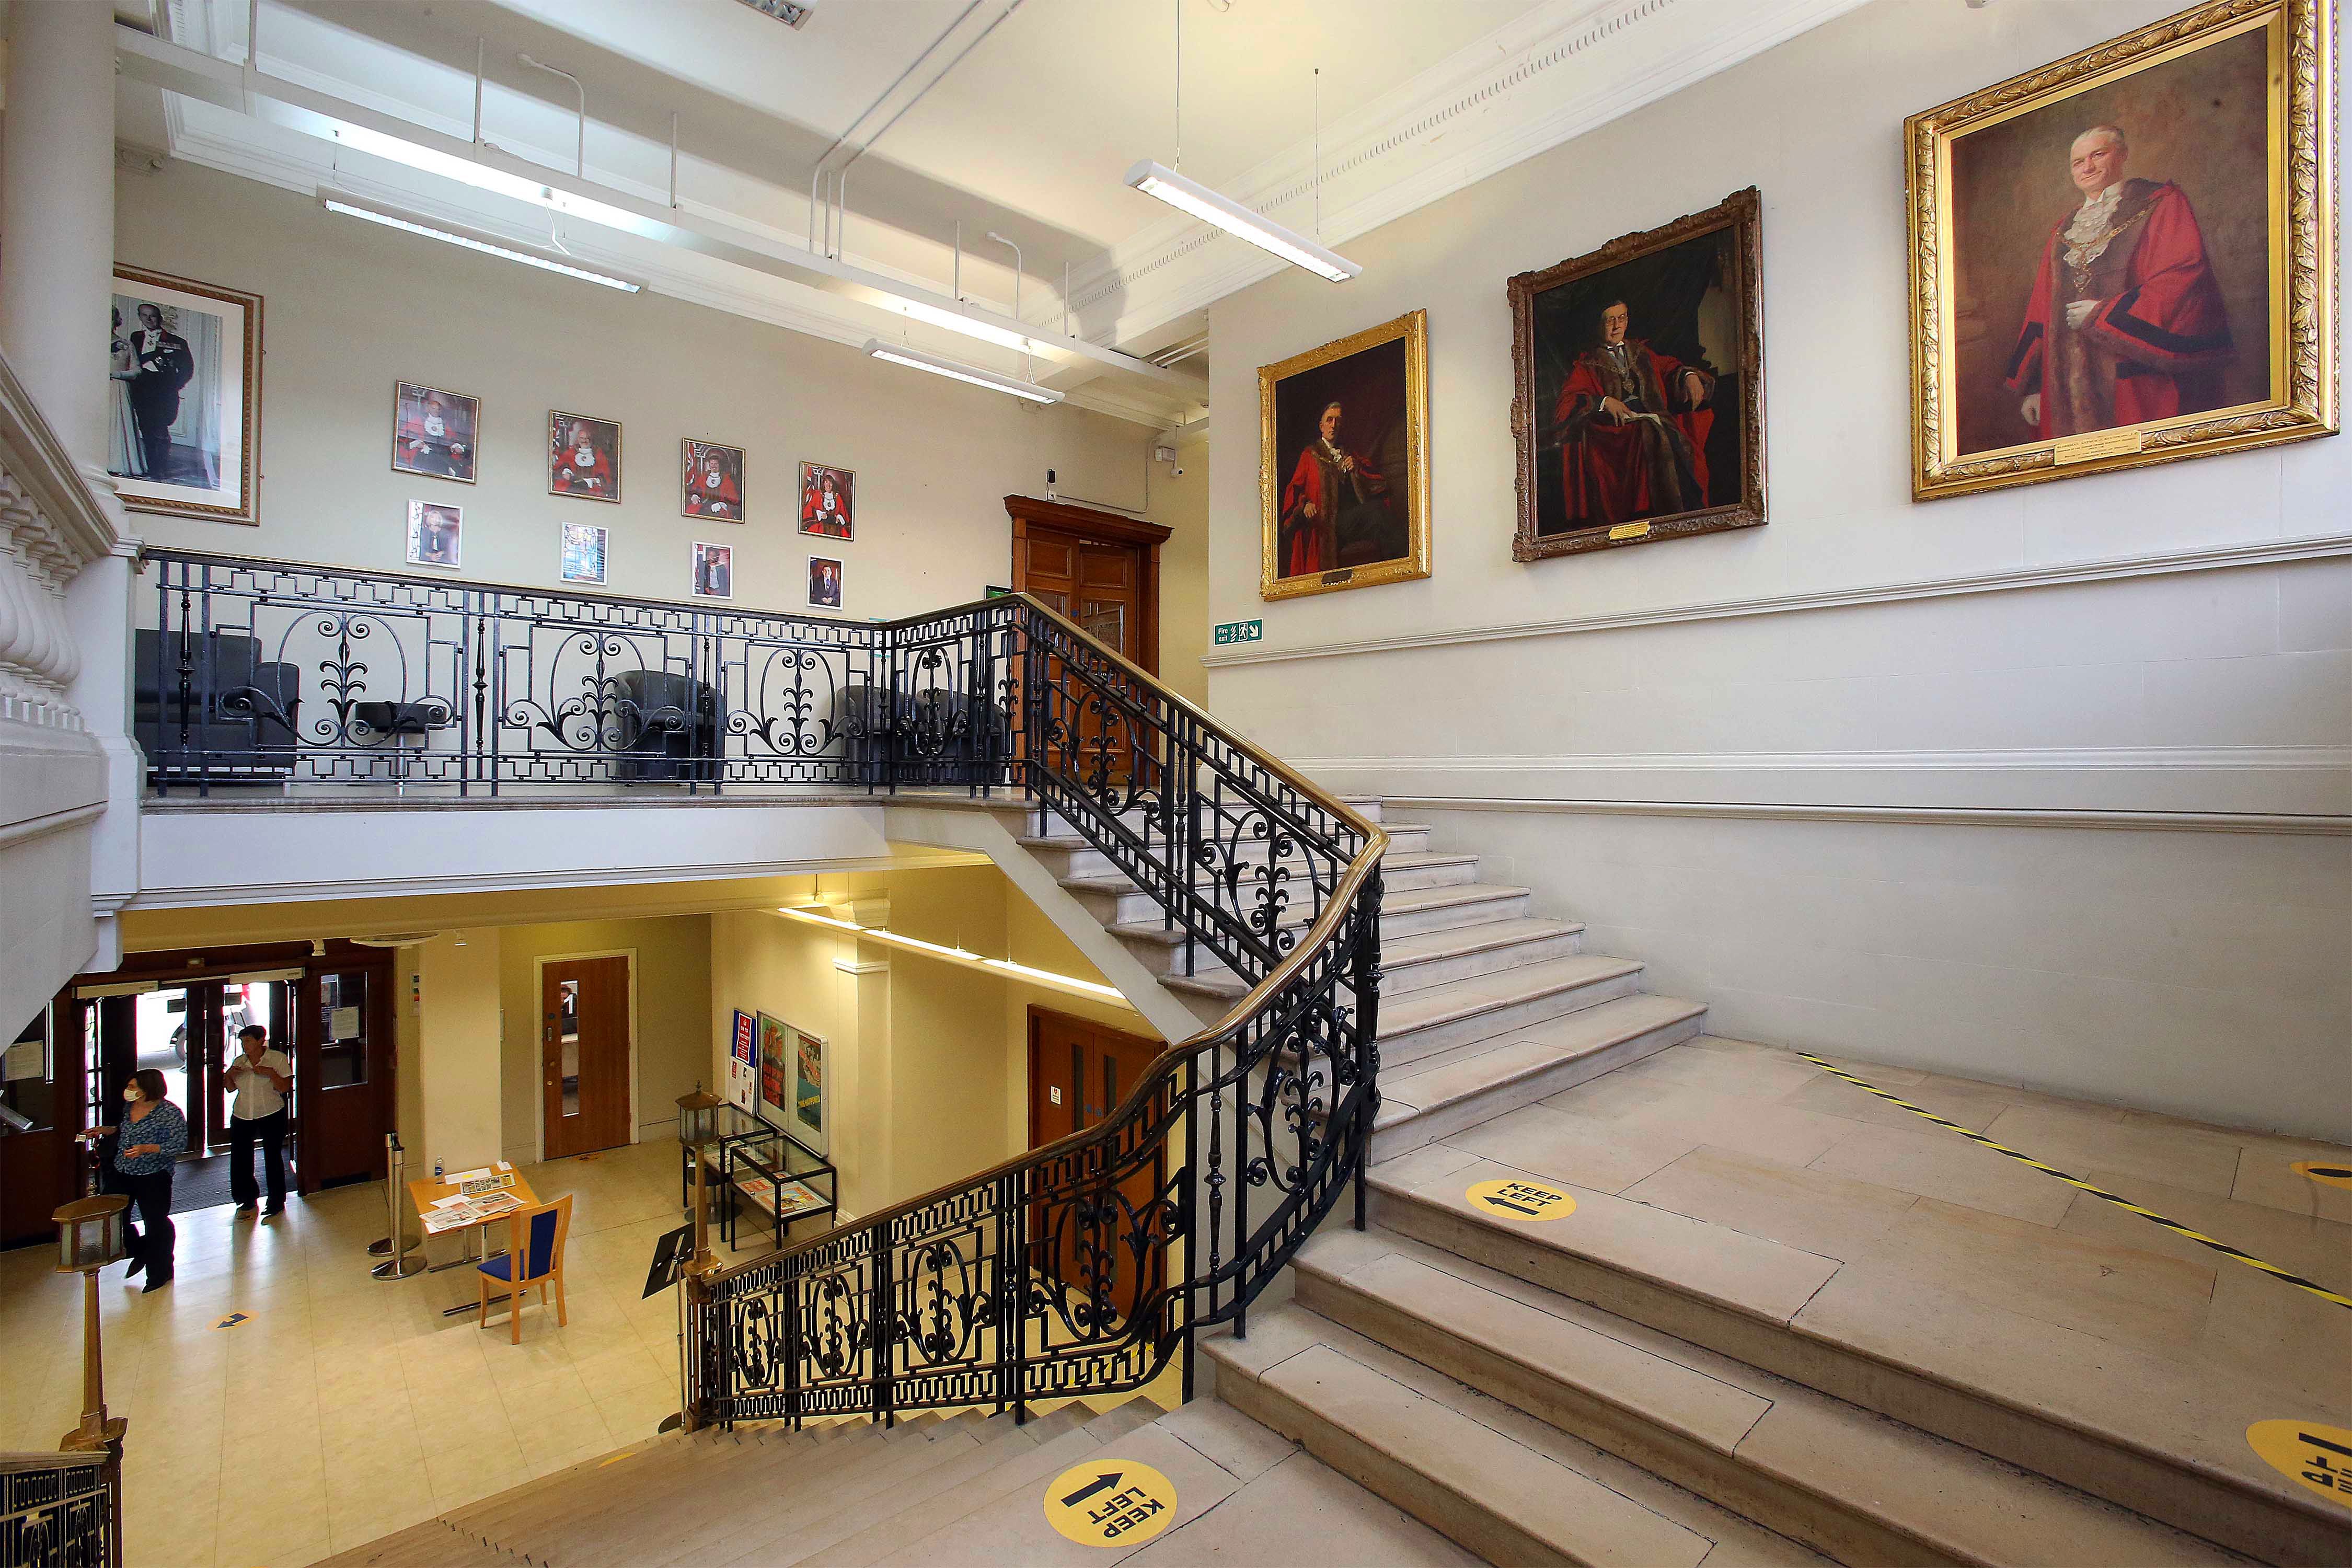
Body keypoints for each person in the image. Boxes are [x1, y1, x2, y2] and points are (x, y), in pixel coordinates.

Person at [2006, 124, 2233, 440]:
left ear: (2123, 155)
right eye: (2078, 162)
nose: (2088, 167)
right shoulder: (2064, 228)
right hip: (2064, 391)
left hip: (2133, 378)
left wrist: (2103, 315)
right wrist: (2036, 387)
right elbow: (2041, 308)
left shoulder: (2160, 204)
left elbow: (2182, 279)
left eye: (2098, 155)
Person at [1548, 298, 1713, 528]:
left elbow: (1667, 367)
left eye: (1622, 318)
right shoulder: (1588, 364)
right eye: (1610, 320)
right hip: (1614, 431)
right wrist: (1604, 402)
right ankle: (1654, 511)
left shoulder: (1639, 351)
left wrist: (1688, 376)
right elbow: (1567, 403)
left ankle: (1686, 513)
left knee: (1666, 433)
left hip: (1653, 420)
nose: (1617, 326)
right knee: (1650, 430)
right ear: (1599, 324)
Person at [1278, 400, 1392, 577]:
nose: (1334, 425)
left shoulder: (1349, 455)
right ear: (1321, 426)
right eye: (1329, 420)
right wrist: (1305, 504)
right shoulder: (1310, 455)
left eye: (1337, 420)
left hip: (1349, 521)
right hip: (1325, 524)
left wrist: (1357, 470)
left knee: (1379, 517)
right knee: (1376, 513)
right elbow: (1294, 490)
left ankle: (1394, 572)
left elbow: (1378, 484)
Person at [113, 1068, 186, 1293]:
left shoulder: (169, 1113)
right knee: (116, 1221)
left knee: (155, 1223)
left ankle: (159, 1274)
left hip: (154, 1175)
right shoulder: (129, 1108)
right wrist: (106, 1131)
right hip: (123, 1171)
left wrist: (147, 1149)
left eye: (133, 1087)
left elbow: (179, 1145)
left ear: (148, 1089)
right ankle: (140, 1248)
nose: (129, 1091)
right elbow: (125, 1132)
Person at [223, 1022, 292, 1218]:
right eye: (243, 1041)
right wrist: (229, 1075)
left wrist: (270, 1073)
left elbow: (285, 1087)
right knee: (240, 1158)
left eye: (249, 1041)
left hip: (271, 1112)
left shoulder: (277, 1059)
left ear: (261, 1040)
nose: (245, 1045)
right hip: (243, 1114)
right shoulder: (240, 1061)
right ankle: (247, 1198)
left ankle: (276, 1201)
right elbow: (230, 1088)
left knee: (273, 1157)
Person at [125, 302, 194, 483]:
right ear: (140, 317)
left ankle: (161, 468)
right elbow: (133, 361)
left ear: (160, 318)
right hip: (143, 388)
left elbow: (188, 369)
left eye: (153, 316)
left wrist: (175, 385)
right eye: (144, 315)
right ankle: (152, 467)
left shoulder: (177, 342)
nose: (149, 319)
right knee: (146, 429)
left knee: (161, 429)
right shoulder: (136, 337)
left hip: (164, 390)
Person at [400, 391, 471, 479]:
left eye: (439, 409)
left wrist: (456, 447)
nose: (436, 410)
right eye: (433, 408)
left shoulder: (446, 426)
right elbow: (404, 440)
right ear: (427, 408)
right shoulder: (417, 422)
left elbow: (453, 441)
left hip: (444, 458)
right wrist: (417, 443)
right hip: (424, 457)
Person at [555, 420, 614, 496]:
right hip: (574, 484)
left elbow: (606, 473)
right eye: (582, 438)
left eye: (587, 438)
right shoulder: (572, 451)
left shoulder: (598, 453)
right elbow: (560, 466)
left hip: (592, 486)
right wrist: (566, 471)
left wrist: (595, 481)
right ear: (579, 439)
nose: (585, 441)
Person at [687, 451, 740, 518]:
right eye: (712, 464)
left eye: (716, 464)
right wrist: (695, 495)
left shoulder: (727, 479)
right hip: (703, 505)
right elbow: (696, 489)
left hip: (719, 508)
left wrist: (722, 504)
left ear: (720, 465)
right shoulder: (704, 477)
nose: (714, 466)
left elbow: (734, 499)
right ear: (709, 464)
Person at [802, 471, 849, 536]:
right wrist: (819, 514)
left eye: (831, 483)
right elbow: (809, 511)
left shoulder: (837, 496)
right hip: (821, 525)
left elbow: (844, 514)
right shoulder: (818, 494)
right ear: (823, 484)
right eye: (826, 482)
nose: (828, 485)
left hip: (835, 526)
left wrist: (839, 517)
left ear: (833, 485)